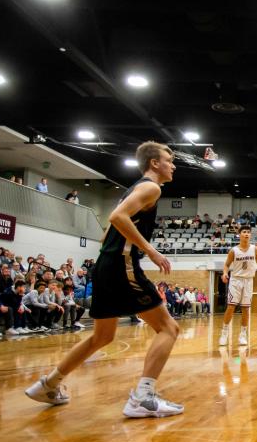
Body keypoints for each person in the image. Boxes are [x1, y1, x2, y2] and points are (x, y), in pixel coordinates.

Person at [25, 141, 184, 418]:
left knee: (102, 336)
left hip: (105, 264)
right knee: (169, 328)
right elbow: (117, 216)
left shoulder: (133, 189)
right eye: (169, 160)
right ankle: (143, 397)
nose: (173, 165)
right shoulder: (151, 187)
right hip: (122, 266)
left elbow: (107, 229)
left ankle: (48, 384)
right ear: (154, 163)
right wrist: (150, 250)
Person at [219, 226, 257, 347]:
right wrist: (225, 273)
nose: (246, 234)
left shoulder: (255, 249)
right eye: (244, 232)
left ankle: (242, 335)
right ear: (239, 235)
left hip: (248, 280)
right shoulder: (233, 251)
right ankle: (224, 333)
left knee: (246, 308)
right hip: (236, 280)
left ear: (250, 235)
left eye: (248, 232)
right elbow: (226, 265)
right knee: (231, 306)